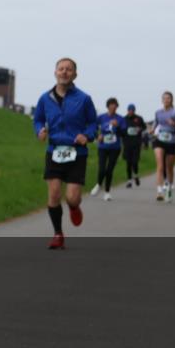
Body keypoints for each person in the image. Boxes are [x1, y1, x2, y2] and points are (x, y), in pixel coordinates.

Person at [32, 58, 97, 249]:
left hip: (77, 152)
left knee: (71, 198)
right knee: (53, 195)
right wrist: (39, 131)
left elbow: (93, 123)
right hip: (54, 151)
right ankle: (58, 234)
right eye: (61, 69)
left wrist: (87, 135)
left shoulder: (84, 98)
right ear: (55, 72)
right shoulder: (45, 98)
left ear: (75, 74)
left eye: (69, 69)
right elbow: (38, 119)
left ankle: (75, 207)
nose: (64, 72)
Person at [151, 92, 175, 203]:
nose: (166, 100)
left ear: (171, 100)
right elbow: (155, 123)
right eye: (164, 98)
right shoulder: (158, 112)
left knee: (169, 168)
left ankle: (169, 189)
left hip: (172, 141)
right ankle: (159, 191)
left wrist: (174, 124)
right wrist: (152, 129)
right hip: (159, 140)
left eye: (168, 98)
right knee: (160, 165)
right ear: (162, 100)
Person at [91, 97, 126, 200]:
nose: (113, 107)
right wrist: (98, 136)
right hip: (102, 147)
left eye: (115, 105)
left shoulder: (120, 119)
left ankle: (107, 192)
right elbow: (93, 128)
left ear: (117, 107)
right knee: (102, 169)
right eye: (111, 105)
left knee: (109, 170)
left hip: (115, 148)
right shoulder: (101, 117)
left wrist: (118, 126)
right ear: (108, 106)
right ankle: (98, 184)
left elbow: (124, 133)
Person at [122, 104, 145, 188]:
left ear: (134, 110)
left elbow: (144, 127)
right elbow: (121, 130)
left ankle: (135, 175)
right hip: (127, 144)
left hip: (136, 143)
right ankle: (129, 181)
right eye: (129, 110)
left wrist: (140, 129)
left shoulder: (139, 118)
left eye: (132, 110)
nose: (131, 111)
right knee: (128, 163)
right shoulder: (124, 119)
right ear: (127, 110)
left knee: (135, 162)